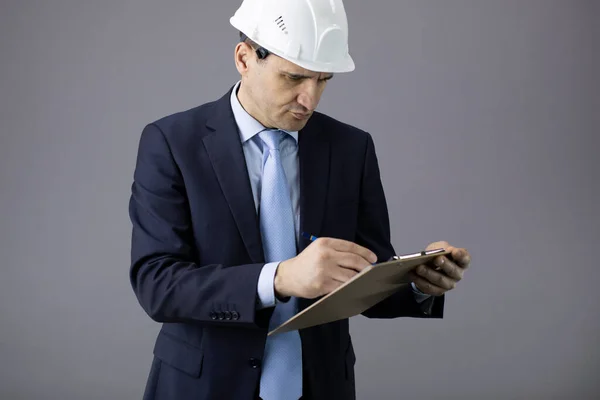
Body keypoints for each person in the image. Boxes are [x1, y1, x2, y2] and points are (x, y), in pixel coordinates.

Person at [128, 0, 471, 399]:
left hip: (321, 386)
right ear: (244, 58)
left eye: (323, 80)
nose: (310, 99)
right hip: (204, 386)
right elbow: (157, 284)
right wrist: (279, 278)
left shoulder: (350, 148)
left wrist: (417, 282)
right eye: (293, 78)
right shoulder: (172, 143)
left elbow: (363, 276)